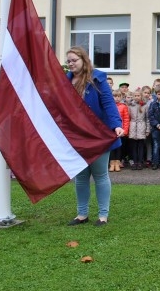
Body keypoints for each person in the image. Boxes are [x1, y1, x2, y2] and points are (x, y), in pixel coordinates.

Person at [65, 46, 124, 226]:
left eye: (74, 60)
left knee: (100, 175)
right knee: (81, 177)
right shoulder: (65, 82)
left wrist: (116, 125)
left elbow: (108, 103)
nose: (71, 64)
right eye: (68, 61)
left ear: (84, 60)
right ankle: (82, 214)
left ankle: (102, 215)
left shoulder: (97, 79)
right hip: (77, 136)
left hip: (98, 135)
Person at [127, 89, 148, 170]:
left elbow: (147, 118)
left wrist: (147, 130)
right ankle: (135, 162)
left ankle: (140, 162)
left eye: (138, 95)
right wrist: (128, 129)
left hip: (141, 127)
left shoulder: (145, 105)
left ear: (141, 96)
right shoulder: (130, 106)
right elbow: (128, 118)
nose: (136, 97)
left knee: (141, 146)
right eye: (135, 96)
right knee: (134, 146)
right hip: (132, 127)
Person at [109, 90, 129, 172]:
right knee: (111, 147)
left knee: (119, 147)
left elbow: (126, 119)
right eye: (115, 96)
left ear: (121, 97)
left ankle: (117, 162)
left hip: (120, 130)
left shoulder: (124, 106)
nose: (116, 98)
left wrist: (125, 130)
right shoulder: (109, 106)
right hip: (111, 130)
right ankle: (111, 163)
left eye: (118, 96)